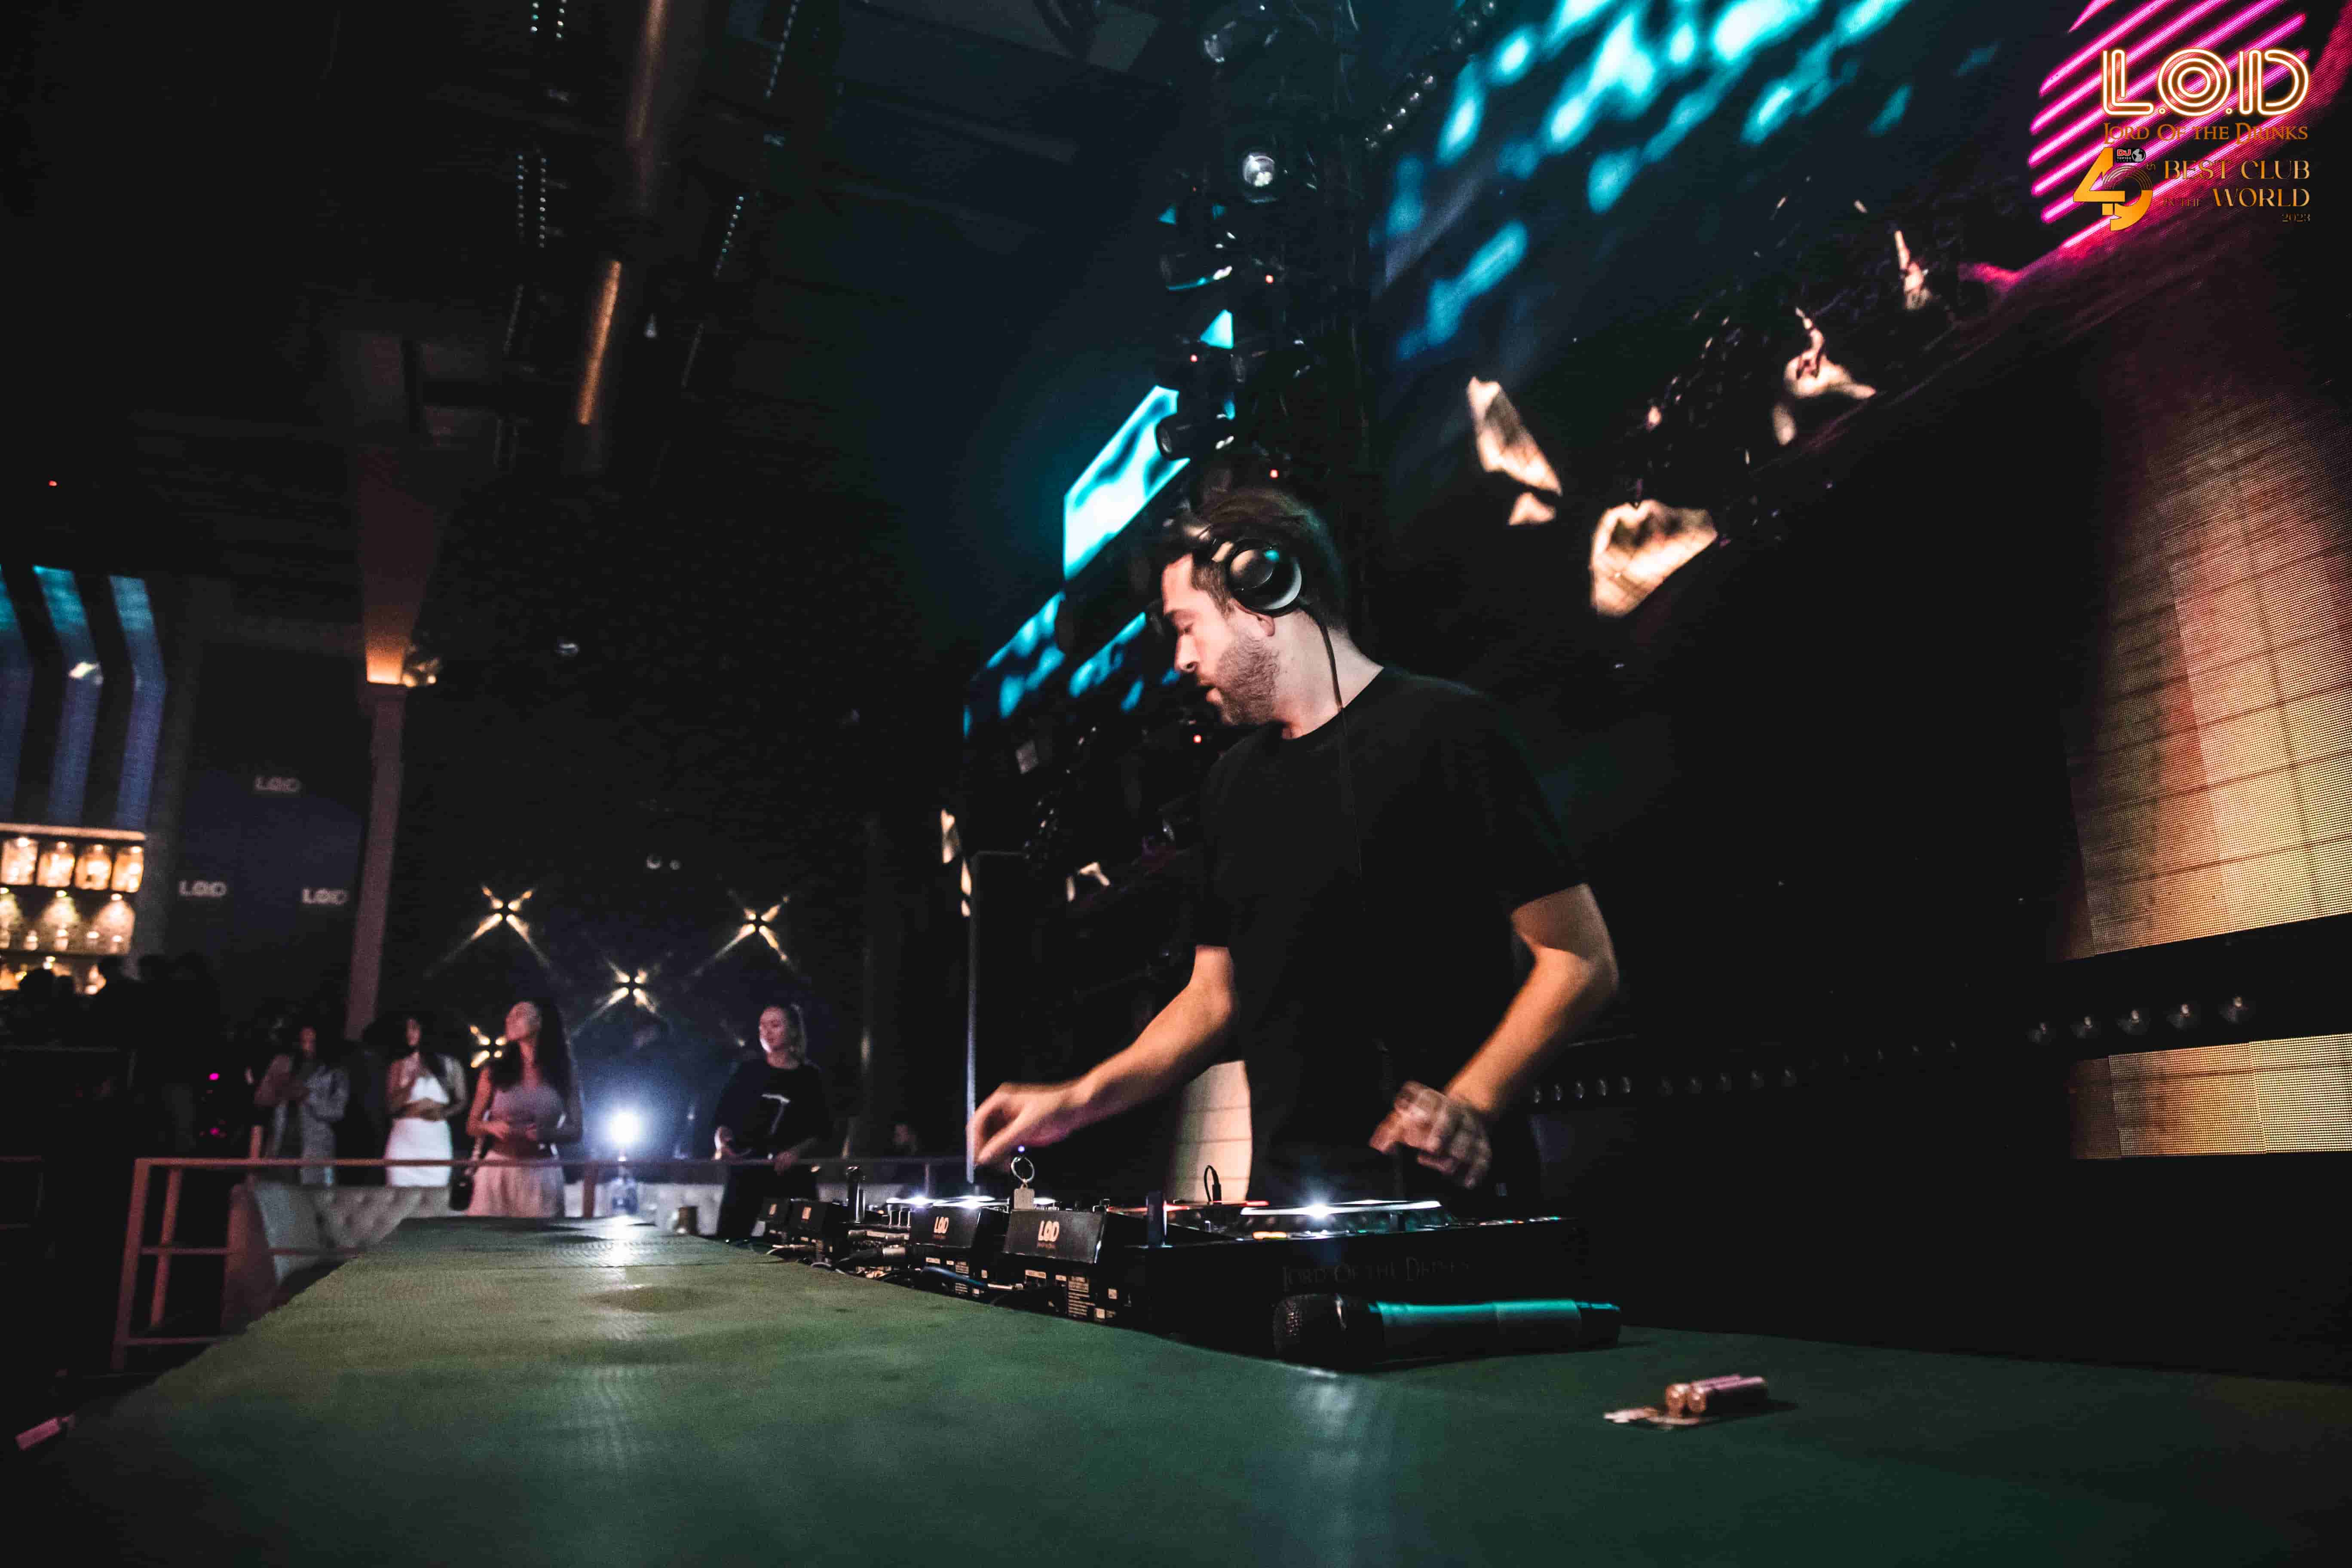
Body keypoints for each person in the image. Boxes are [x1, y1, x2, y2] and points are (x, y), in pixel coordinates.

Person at [968, 485, 1620, 1210]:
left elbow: (1579, 959)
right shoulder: (1228, 786)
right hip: (1290, 1212)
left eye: (1188, 626)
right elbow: (1211, 997)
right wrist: (1075, 1100)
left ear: (1262, 596)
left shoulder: (1452, 731)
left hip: (1450, 1215)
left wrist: (1472, 1101)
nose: (1181, 659)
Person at [710, 1004, 831, 1241]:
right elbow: (722, 1118)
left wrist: (796, 1152)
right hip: (747, 1170)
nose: (767, 1032)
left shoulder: (810, 1077)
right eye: (762, 1026)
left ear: (793, 1031)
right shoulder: (747, 1071)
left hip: (790, 1175)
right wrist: (721, 1143)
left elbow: (822, 1129)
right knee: (729, 1241)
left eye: (775, 1025)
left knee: (800, 1244)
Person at [464, 999, 585, 1218]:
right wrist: (491, 1127)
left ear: (539, 1021)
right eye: (509, 1015)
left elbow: (576, 1130)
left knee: (539, 1237)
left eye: (519, 1013)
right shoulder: (494, 1071)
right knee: (485, 1237)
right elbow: (472, 1125)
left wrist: (547, 1134)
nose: (510, 1019)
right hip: (497, 1170)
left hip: (542, 1173)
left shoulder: (564, 1072)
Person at [254, 1021, 349, 1186]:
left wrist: (307, 1096)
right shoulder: (284, 1064)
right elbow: (261, 1101)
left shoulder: (334, 1072)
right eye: (303, 1041)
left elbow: (337, 1111)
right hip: (281, 1149)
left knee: (312, 1197)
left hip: (315, 1152)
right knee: (280, 1197)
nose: (307, 1047)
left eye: (312, 1042)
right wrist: (276, 1085)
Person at [383, 1013, 468, 1188]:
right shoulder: (399, 1065)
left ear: (427, 1030)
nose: (410, 1033)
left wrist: (443, 1113)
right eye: (408, 1028)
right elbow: (391, 1108)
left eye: (414, 1028)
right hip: (404, 1140)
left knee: (435, 1194)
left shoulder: (451, 1065)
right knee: (398, 1194)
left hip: (436, 1139)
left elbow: (462, 1101)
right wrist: (411, 1082)